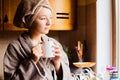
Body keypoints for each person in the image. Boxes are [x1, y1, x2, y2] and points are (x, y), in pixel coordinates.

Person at [3, 0, 72, 80]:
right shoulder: (15, 48)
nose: (49, 22)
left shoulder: (54, 44)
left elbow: (68, 77)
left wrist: (57, 64)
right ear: (29, 20)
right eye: (43, 18)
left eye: (50, 17)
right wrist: (32, 61)